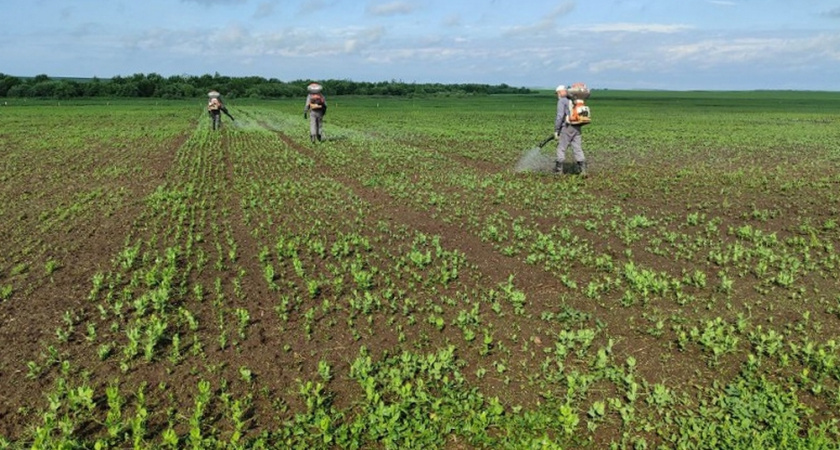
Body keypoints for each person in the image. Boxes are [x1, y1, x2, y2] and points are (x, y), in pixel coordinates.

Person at [553, 85, 587, 176]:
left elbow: (560, 116)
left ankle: (558, 171)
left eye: (557, 93)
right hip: (577, 127)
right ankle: (583, 171)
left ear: (560, 92)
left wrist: (556, 130)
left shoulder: (562, 101)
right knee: (578, 149)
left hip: (567, 126)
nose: (557, 95)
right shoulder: (574, 100)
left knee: (561, 148)